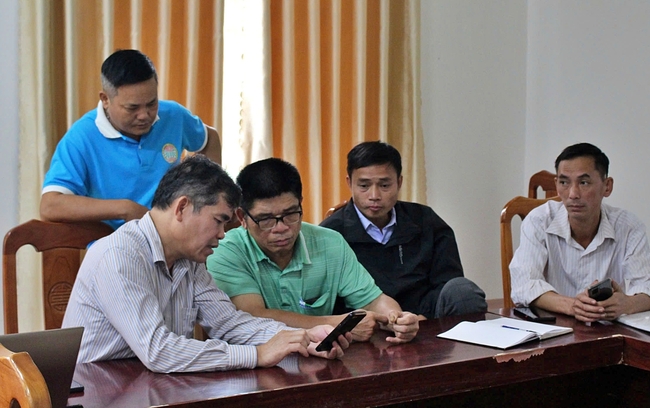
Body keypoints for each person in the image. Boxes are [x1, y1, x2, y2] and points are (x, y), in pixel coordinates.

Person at [62, 155, 349, 373]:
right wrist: (258, 354)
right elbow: (157, 350)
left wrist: (300, 338)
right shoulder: (118, 256)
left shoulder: (190, 259)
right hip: (99, 392)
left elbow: (229, 323)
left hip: (155, 387)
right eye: (219, 220)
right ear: (182, 207)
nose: (223, 234)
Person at [207, 158, 419, 344]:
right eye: (266, 219)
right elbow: (253, 317)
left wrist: (396, 319)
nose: (280, 228)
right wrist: (339, 325)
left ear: (301, 204)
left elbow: (373, 300)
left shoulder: (330, 243)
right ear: (242, 217)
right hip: (253, 367)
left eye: (291, 214)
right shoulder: (225, 252)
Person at [40, 49, 221, 230]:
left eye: (151, 103)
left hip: (175, 240)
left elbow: (210, 139)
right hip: (114, 246)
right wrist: (124, 209)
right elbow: (50, 205)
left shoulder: (173, 115)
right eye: (132, 108)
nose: (144, 115)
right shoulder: (82, 137)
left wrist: (207, 197)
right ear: (105, 99)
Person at [320, 141, 487, 319]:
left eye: (384, 185)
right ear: (349, 183)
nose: (374, 196)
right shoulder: (331, 234)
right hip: (366, 323)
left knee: (463, 292)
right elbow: (330, 303)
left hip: (426, 317)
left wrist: (424, 320)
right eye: (364, 186)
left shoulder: (426, 220)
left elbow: (447, 281)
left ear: (399, 182)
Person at [510, 142, 650, 322]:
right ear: (556, 184)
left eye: (584, 182)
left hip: (608, 333)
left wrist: (626, 304)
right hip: (553, 331)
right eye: (564, 182)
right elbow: (523, 285)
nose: (573, 194)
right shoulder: (539, 220)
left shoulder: (628, 226)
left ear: (607, 186)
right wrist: (573, 306)